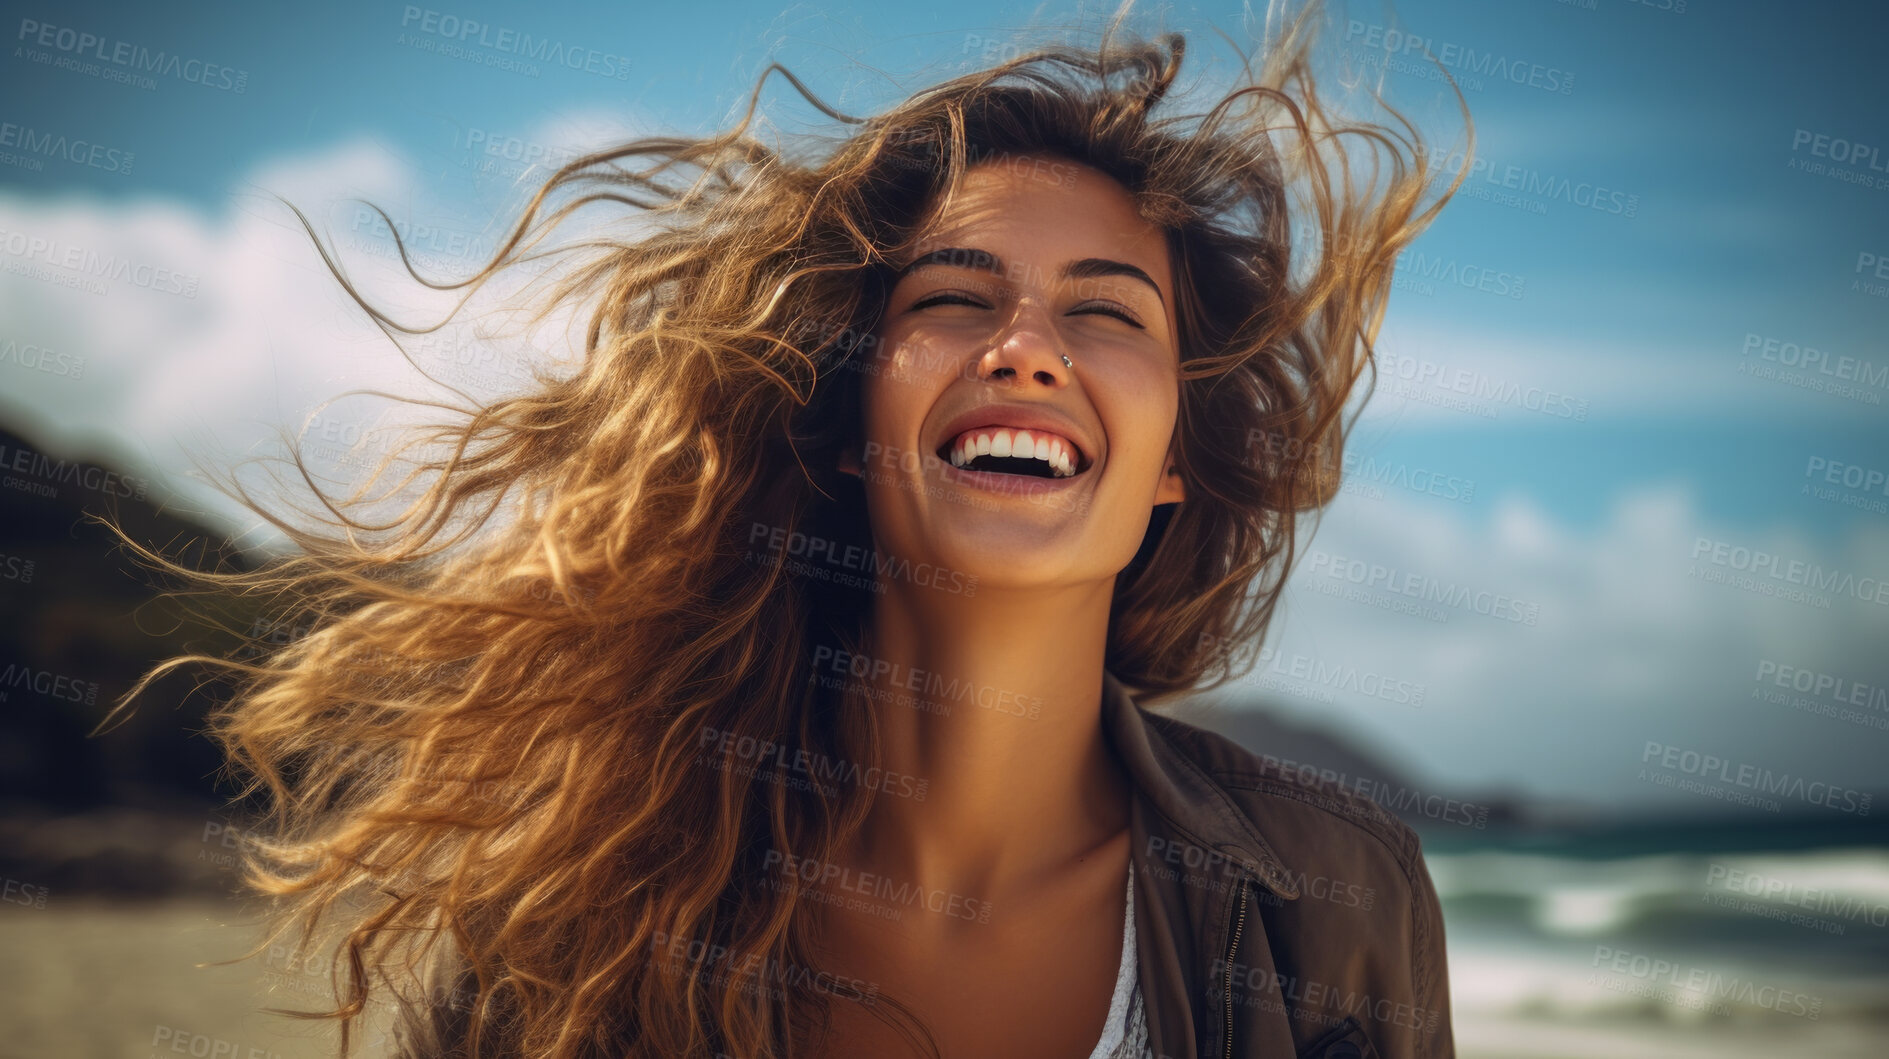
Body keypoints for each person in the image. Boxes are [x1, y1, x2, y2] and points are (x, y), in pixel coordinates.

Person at [103, 4, 1467, 1056]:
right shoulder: (588, 899)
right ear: (839, 411)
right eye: (952, 297)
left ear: (1173, 458)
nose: (1027, 349)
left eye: (1106, 312)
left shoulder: (1330, 898)